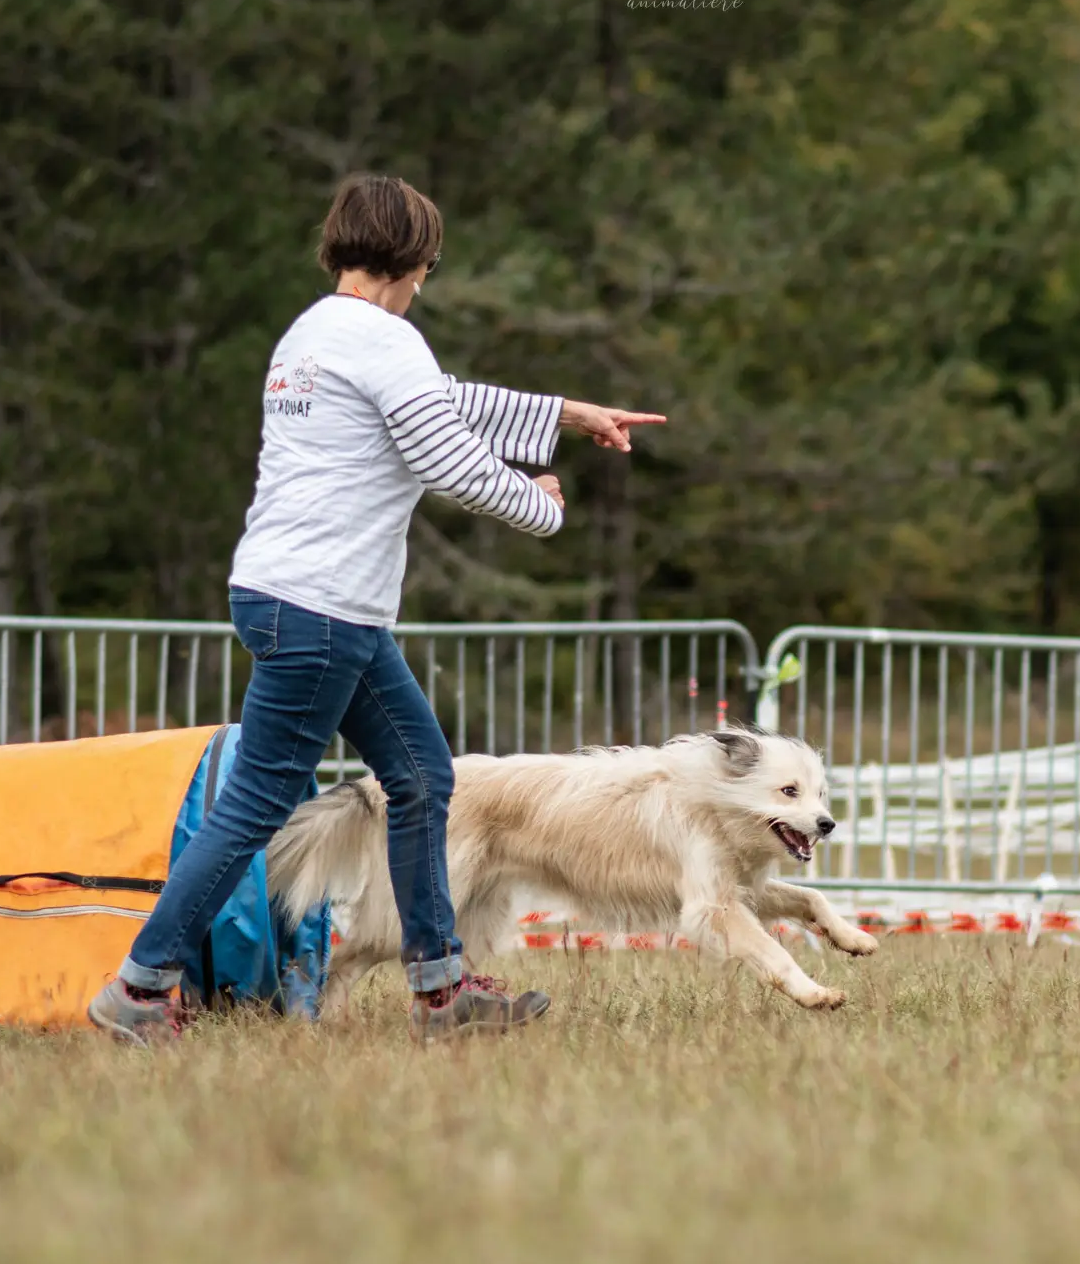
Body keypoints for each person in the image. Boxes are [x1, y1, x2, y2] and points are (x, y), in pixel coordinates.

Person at [87, 172, 664, 1044]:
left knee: (426, 778)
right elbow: (446, 456)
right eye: (429, 265)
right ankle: (138, 987)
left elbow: (438, 401)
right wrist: (541, 504)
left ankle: (443, 988)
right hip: (322, 612)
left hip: (298, 599)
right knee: (254, 805)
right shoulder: (387, 343)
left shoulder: (312, 333)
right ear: (416, 260)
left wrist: (562, 414)